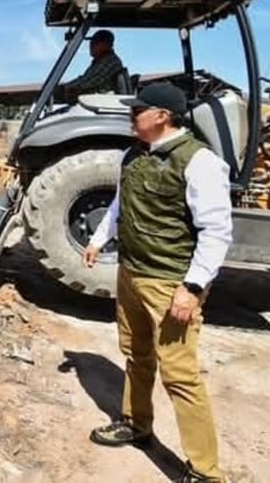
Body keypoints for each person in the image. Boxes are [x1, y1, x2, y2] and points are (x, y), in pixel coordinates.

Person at [81, 82, 233, 483]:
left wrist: (193, 288)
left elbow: (216, 232)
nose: (132, 117)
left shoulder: (199, 162)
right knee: (137, 354)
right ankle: (136, 424)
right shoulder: (134, 154)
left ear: (162, 116)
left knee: (180, 375)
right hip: (131, 273)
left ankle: (205, 472)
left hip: (170, 283)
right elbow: (119, 202)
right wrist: (99, 239)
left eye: (138, 111)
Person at [53, 29, 127, 103]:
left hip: (98, 103)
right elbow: (84, 80)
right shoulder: (100, 61)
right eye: (91, 42)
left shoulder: (109, 61)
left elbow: (86, 82)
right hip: (94, 101)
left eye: (95, 42)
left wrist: (62, 89)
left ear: (106, 44)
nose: (91, 45)